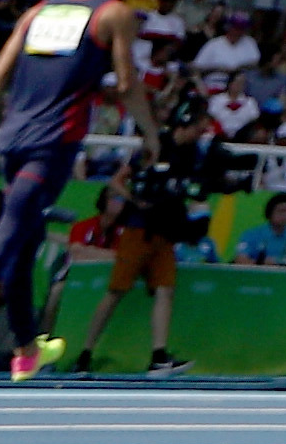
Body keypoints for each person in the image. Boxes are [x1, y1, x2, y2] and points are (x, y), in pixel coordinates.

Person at [0, 0, 146, 371]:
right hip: (52, 145)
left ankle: (26, 350)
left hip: (12, 138)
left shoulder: (39, 10)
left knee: (26, 240)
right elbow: (126, 85)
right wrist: (151, 134)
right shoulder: (114, 12)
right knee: (7, 239)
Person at [83, 101, 232, 376]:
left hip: (166, 232)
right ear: (185, 123)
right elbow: (117, 181)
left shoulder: (191, 156)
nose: (201, 135)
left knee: (166, 290)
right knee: (116, 292)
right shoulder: (156, 145)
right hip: (140, 229)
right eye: (198, 129)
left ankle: (159, 356)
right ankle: (85, 353)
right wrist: (136, 201)